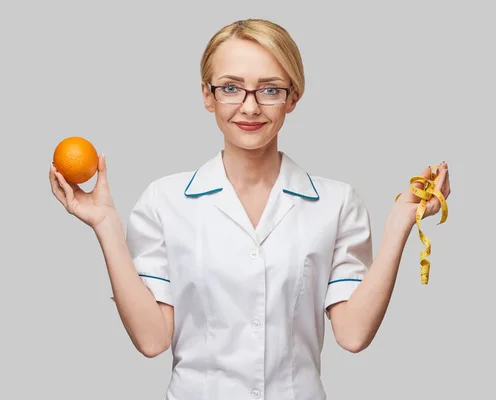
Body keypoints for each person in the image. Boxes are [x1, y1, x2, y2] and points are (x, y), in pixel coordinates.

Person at [49, 18, 451, 400]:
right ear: (207, 95)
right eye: (230, 87)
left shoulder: (337, 203)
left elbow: (353, 334)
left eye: (270, 89)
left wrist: (400, 223)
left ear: (293, 97)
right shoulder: (164, 200)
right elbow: (153, 340)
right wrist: (105, 224)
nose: (250, 106)